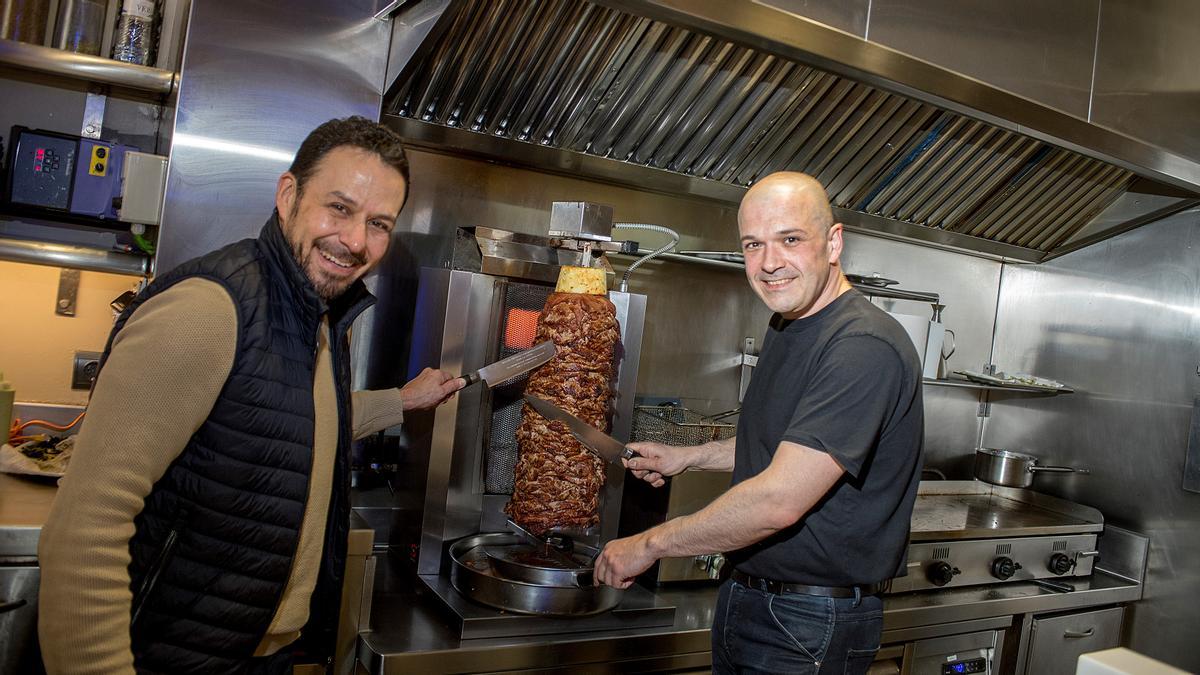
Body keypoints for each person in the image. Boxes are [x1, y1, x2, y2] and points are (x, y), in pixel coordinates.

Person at [38, 117, 463, 674]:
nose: (357, 241)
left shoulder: (319, 313)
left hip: (260, 656)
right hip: (172, 656)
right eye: (339, 208)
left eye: (378, 223)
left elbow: (278, 416)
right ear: (288, 196)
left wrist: (398, 403)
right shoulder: (210, 311)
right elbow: (85, 528)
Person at [595, 171, 924, 674]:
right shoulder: (789, 323)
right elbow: (786, 442)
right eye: (754, 245)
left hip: (809, 618)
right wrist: (690, 457)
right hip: (750, 594)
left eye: (790, 239)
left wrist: (649, 544)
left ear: (833, 243)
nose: (770, 264)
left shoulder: (862, 345)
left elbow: (779, 501)